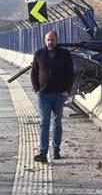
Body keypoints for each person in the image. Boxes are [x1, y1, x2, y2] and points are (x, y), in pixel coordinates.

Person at [31, 30, 75, 163]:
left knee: (57, 123)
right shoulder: (39, 54)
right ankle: (43, 153)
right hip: (43, 95)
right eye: (48, 40)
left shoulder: (65, 54)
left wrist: (67, 90)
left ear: (57, 40)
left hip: (59, 95)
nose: (50, 42)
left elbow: (70, 73)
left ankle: (56, 150)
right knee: (44, 123)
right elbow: (34, 73)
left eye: (52, 39)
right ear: (45, 41)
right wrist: (37, 89)